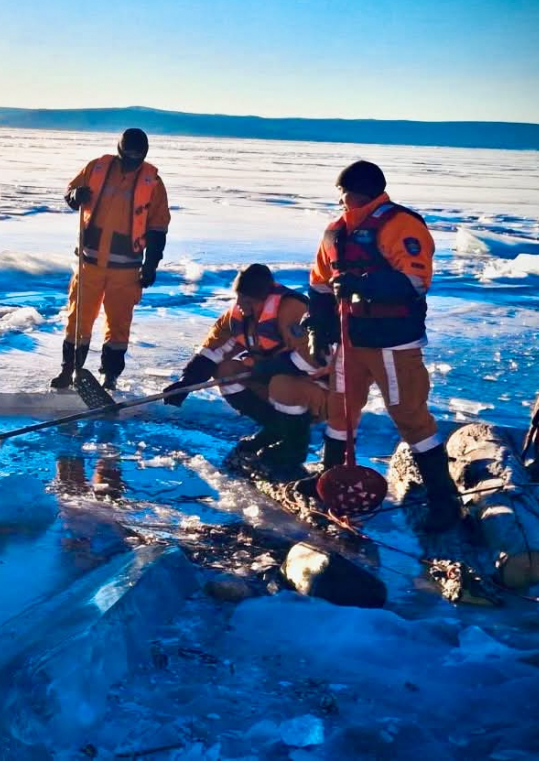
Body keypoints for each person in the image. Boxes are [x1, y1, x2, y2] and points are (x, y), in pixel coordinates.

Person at [307, 160, 460, 531]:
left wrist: (363, 285)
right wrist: (318, 329)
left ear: (360, 191)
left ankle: (444, 498)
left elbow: (415, 280)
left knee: (409, 413)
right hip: (350, 338)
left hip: (393, 340)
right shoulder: (335, 232)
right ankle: (330, 482)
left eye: (345, 191)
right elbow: (320, 284)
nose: (342, 199)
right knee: (340, 409)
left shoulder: (401, 225)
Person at [161, 264, 328, 482]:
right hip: (276, 384)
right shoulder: (238, 316)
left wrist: (269, 368)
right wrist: (187, 381)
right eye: (239, 298)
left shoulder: (292, 310)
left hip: (324, 393)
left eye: (248, 301)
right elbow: (213, 351)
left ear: (265, 297)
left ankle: (292, 450)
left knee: (282, 384)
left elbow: (313, 358)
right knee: (226, 371)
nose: (242, 305)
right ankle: (275, 428)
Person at [52, 128, 170, 390]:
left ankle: (110, 376)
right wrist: (75, 196)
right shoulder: (97, 168)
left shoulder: (152, 182)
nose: (132, 157)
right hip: (90, 262)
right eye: (128, 152)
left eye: (137, 154)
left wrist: (151, 264)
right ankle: (69, 369)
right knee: (78, 319)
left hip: (126, 268)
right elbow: (71, 192)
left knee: (118, 324)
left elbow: (158, 227)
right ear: (119, 149)